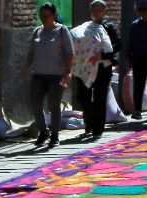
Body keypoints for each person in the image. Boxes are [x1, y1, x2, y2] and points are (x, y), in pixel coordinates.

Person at [24, 2, 75, 148]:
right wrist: (26, 67)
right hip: (39, 74)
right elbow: (31, 52)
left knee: (54, 105)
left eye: (47, 16)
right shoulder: (37, 32)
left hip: (57, 75)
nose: (44, 19)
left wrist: (68, 71)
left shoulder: (61, 31)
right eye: (42, 16)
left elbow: (69, 53)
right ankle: (43, 131)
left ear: (53, 16)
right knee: (35, 104)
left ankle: (54, 135)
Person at [73, 0, 117, 141]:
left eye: (99, 10)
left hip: (103, 68)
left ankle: (97, 129)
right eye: (94, 10)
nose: (96, 13)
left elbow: (116, 45)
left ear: (104, 12)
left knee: (99, 97)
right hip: (85, 67)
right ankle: (89, 123)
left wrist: (101, 55)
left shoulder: (108, 27)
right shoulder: (85, 29)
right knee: (83, 96)